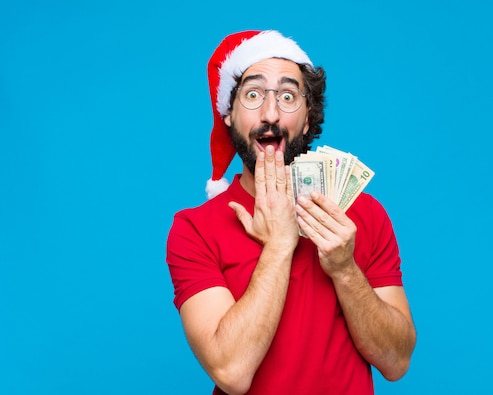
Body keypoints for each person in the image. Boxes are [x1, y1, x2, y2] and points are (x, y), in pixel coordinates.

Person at [166, 30, 416, 395]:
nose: (271, 114)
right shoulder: (194, 229)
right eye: (253, 95)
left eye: (287, 96)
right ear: (228, 116)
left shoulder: (363, 214)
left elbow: (397, 362)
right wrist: (280, 245)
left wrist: (345, 270)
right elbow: (231, 372)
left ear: (308, 118)